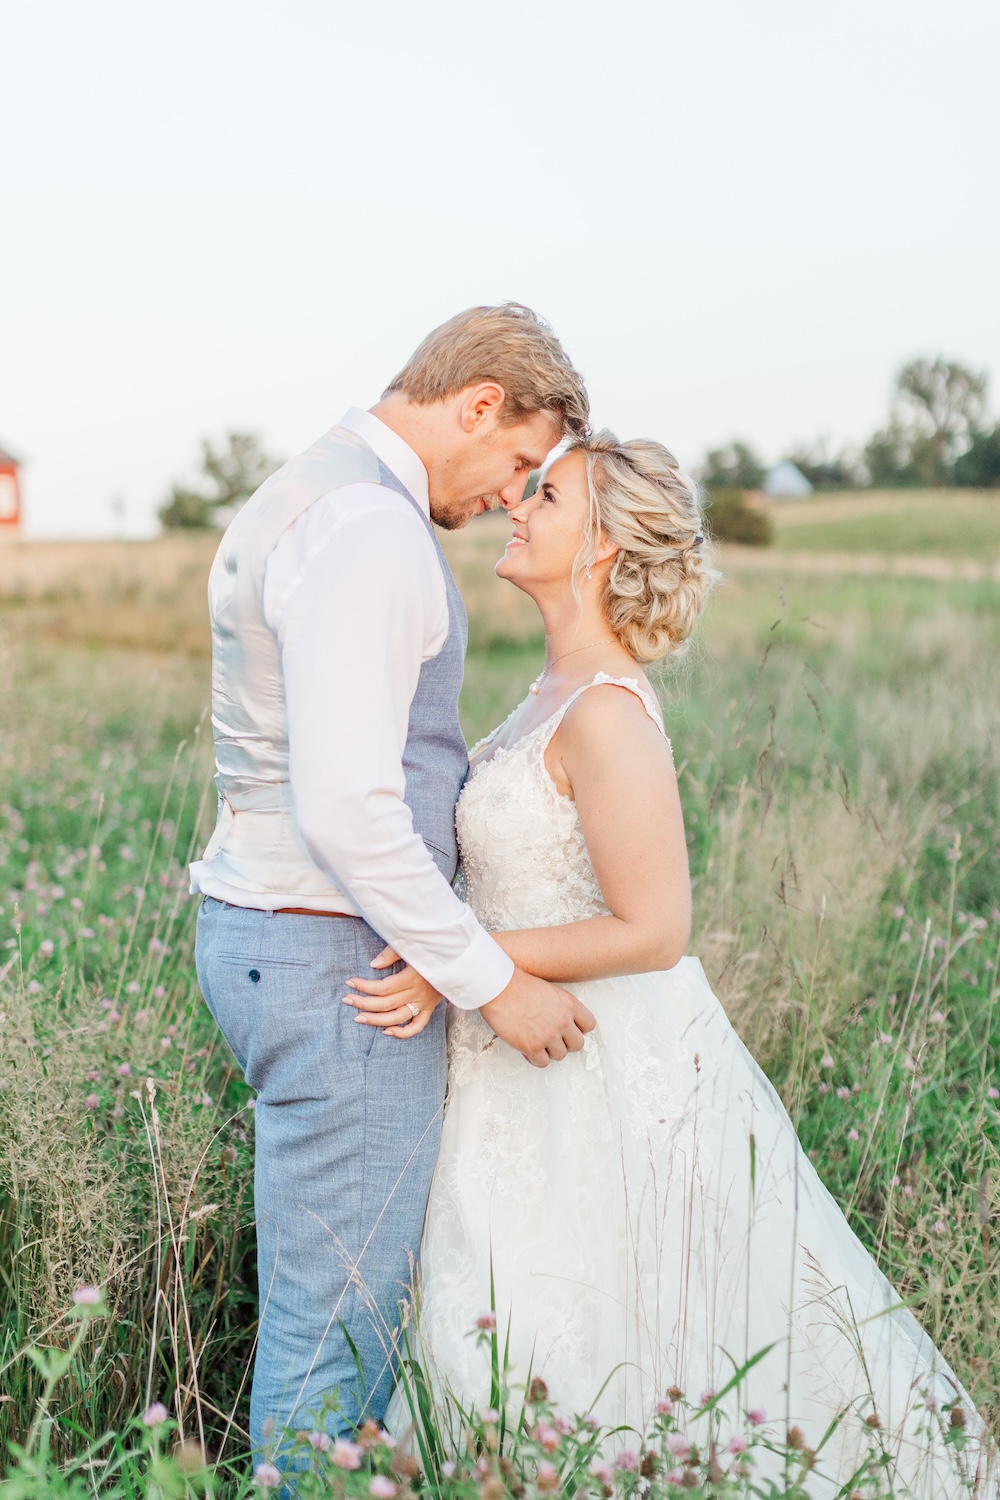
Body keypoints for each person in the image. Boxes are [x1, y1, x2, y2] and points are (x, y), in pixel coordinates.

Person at [347, 433, 991, 1496]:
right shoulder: (549, 689)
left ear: (600, 546)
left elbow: (655, 928)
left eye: (544, 495)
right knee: (501, 1329)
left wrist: (460, 960)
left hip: (592, 1063)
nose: (516, 503)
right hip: (512, 1058)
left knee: (594, 1328)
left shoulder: (605, 710)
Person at [190, 304, 598, 1462]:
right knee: (336, 1326)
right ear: (478, 403)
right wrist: (485, 979)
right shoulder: (369, 526)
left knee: (330, 1302)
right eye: (518, 461)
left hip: (291, 937)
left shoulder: (313, 492)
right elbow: (347, 806)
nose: (507, 498)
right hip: (340, 961)